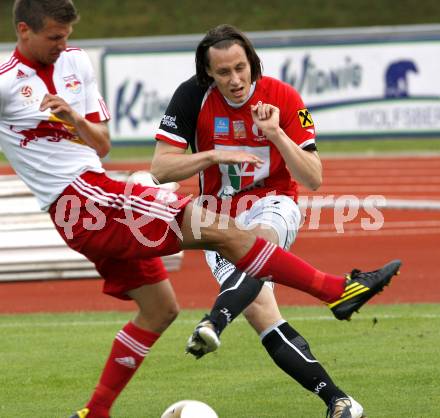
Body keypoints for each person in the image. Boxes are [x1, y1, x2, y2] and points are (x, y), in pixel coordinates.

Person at [0, 2, 400, 416]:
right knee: (224, 231)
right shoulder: (6, 84)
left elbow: (101, 144)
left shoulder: (75, 62)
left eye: (66, 36)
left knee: (160, 310)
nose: (62, 44)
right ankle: (336, 291)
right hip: (83, 198)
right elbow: (160, 167)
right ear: (24, 30)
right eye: (53, 37)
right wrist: (211, 156)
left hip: (97, 197)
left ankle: (95, 411)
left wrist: (73, 119)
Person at [152, 24, 401, 418]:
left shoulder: (283, 97)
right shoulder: (191, 97)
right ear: (208, 75)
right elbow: (160, 169)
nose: (235, 80)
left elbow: (313, 178)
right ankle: (340, 401)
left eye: (241, 68)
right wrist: (213, 156)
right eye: (223, 73)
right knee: (263, 315)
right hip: (217, 215)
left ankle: (214, 321)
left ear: (252, 62)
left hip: (274, 202)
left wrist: (276, 134)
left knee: (259, 248)